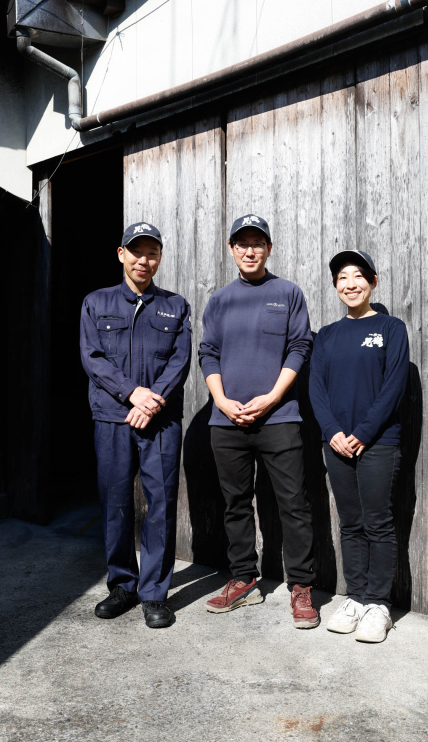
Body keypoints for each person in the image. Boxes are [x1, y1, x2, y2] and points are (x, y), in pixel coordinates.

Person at [198, 214, 318, 629]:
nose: (250, 250)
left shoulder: (287, 293)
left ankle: (301, 587)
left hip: (279, 417)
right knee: (234, 504)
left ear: (269, 248)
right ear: (232, 249)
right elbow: (208, 352)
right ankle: (244, 579)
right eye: (241, 243)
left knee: (294, 504)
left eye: (257, 243)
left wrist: (271, 397)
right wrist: (223, 402)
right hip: (226, 421)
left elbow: (300, 346)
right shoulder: (219, 300)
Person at [80, 223, 191, 628]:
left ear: (159, 257)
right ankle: (122, 585)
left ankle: (154, 594)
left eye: (152, 253)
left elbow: (180, 361)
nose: (145, 260)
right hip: (112, 416)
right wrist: (132, 393)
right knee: (116, 502)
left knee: (160, 503)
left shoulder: (175, 305)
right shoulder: (96, 302)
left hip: (160, 421)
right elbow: (92, 358)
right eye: (137, 252)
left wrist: (152, 399)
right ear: (121, 254)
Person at [309, 250, 409, 643]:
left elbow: (393, 387)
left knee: (378, 522)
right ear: (336, 287)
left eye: (358, 276)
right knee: (350, 524)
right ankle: (355, 597)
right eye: (342, 278)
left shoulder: (390, 328)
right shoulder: (328, 335)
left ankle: (378, 606)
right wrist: (332, 430)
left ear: (373, 281)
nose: (350, 284)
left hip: (378, 443)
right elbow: (316, 388)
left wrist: (364, 433)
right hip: (335, 444)